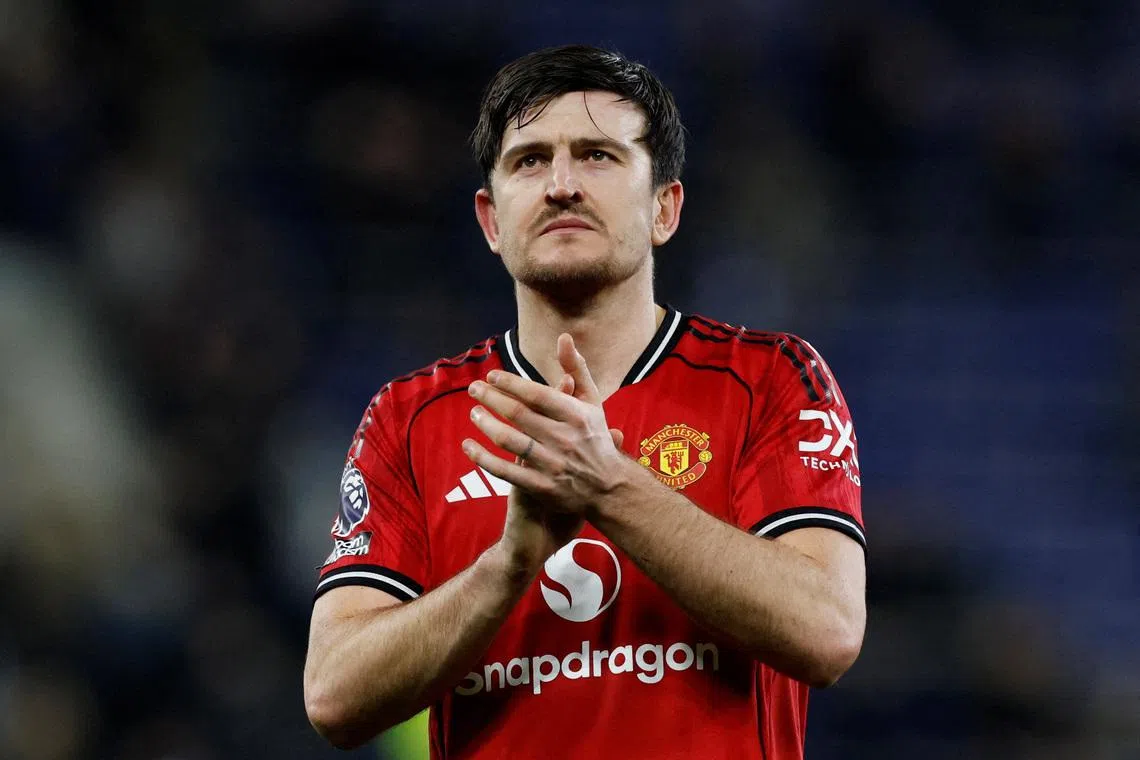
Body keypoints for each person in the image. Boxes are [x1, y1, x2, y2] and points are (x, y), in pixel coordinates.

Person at [303, 44, 866, 760]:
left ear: (665, 207)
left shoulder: (771, 380)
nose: (561, 184)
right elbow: (333, 694)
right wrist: (507, 567)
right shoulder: (410, 418)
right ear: (490, 222)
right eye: (529, 160)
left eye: (598, 155)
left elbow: (829, 630)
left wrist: (610, 487)